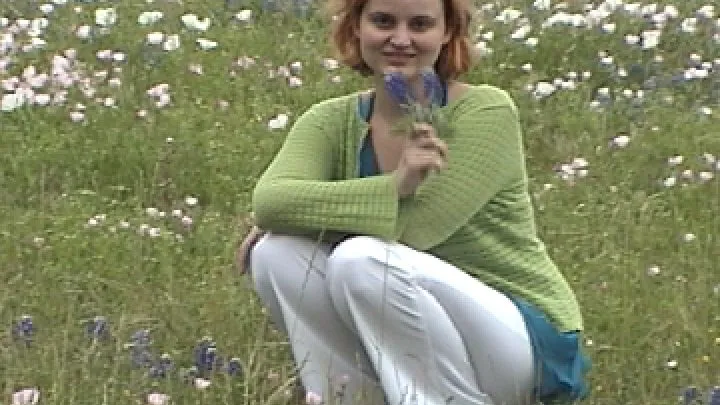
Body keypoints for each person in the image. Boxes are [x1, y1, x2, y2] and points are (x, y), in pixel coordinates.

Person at [236, 0, 592, 403]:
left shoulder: (485, 111)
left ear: (447, 33)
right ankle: (347, 396)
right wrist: (393, 187)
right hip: (407, 316)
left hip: (515, 336)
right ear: (356, 27)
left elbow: (417, 229)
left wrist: (311, 212)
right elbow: (270, 200)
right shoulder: (330, 120)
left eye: (420, 24)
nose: (400, 39)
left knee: (362, 260)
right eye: (383, 21)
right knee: (275, 253)